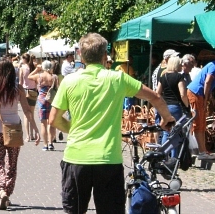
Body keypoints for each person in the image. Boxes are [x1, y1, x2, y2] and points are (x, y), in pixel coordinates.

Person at [49, 33, 174, 214]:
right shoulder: (118, 79)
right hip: (108, 160)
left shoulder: (69, 81)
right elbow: (155, 97)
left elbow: (53, 119)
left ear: (81, 57)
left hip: (76, 158)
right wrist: (167, 118)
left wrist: (73, 129)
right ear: (104, 57)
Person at [0, 59, 39, 210]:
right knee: (12, 165)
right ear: (12, 73)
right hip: (14, 131)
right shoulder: (18, 89)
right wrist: (35, 129)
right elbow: (26, 111)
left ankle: (2, 190)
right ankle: (7, 193)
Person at [156, 55, 190, 157]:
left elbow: (157, 93)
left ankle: (163, 155)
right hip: (176, 107)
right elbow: (183, 94)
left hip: (165, 107)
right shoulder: (180, 77)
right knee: (175, 133)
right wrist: (188, 107)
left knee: (166, 131)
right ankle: (173, 157)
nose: (181, 66)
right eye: (180, 64)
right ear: (176, 65)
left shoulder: (163, 77)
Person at [187, 61, 215, 160]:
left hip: (198, 93)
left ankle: (202, 150)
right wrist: (206, 98)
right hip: (197, 93)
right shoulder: (213, 66)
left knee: (202, 123)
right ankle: (200, 152)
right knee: (198, 122)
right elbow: (207, 81)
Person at [28, 60, 58, 151]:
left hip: (42, 100)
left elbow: (29, 76)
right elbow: (57, 88)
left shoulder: (39, 76)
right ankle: (51, 143)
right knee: (51, 123)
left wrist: (37, 69)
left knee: (43, 124)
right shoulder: (54, 77)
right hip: (53, 100)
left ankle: (45, 144)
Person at [18, 53, 38, 142]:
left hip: (25, 91)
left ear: (24, 59)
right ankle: (33, 134)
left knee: (26, 115)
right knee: (32, 114)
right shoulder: (33, 67)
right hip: (34, 91)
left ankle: (28, 136)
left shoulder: (22, 68)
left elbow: (20, 82)